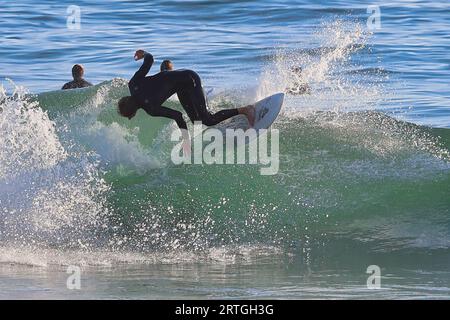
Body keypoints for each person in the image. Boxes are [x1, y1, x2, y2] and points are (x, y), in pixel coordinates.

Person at [117, 49, 255, 135]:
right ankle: (166, 70)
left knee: (207, 119)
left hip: (190, 79)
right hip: (181, 85)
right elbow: (150, 59)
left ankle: (244, 110)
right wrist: (143, 53)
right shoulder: (133, 84)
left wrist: (185, 141)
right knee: (196, 121)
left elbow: (178, 116)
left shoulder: (151, 108)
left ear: (133, 114)